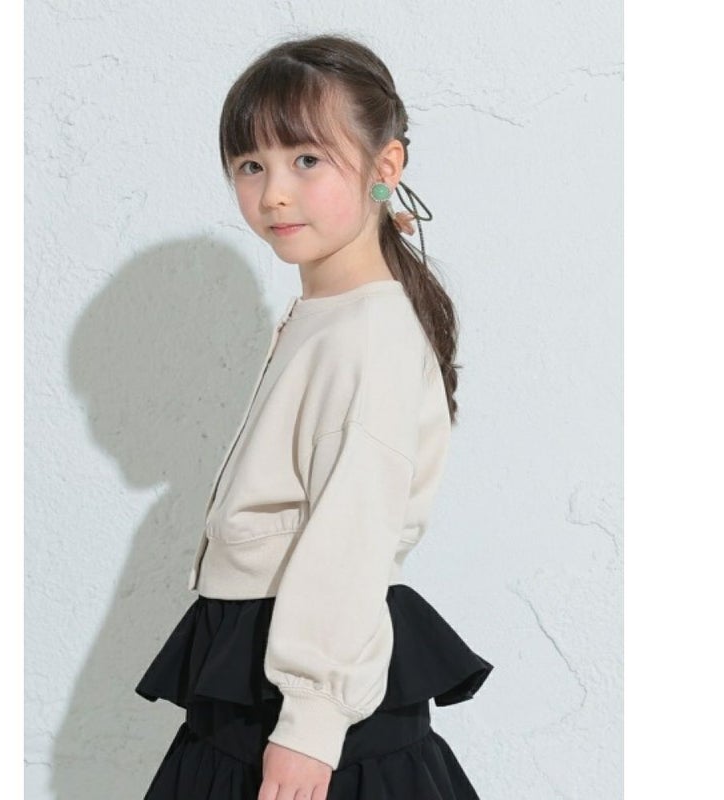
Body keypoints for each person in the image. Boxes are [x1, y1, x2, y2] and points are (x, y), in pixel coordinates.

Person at [135, 33, 494, 800]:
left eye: (306, 159)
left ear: (385, 168)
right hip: (259, 674)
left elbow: (350, 534)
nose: (273, 194)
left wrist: (310, 724)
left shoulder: (368, 334)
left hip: (301, 698)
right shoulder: (329, 317)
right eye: (250, 165)